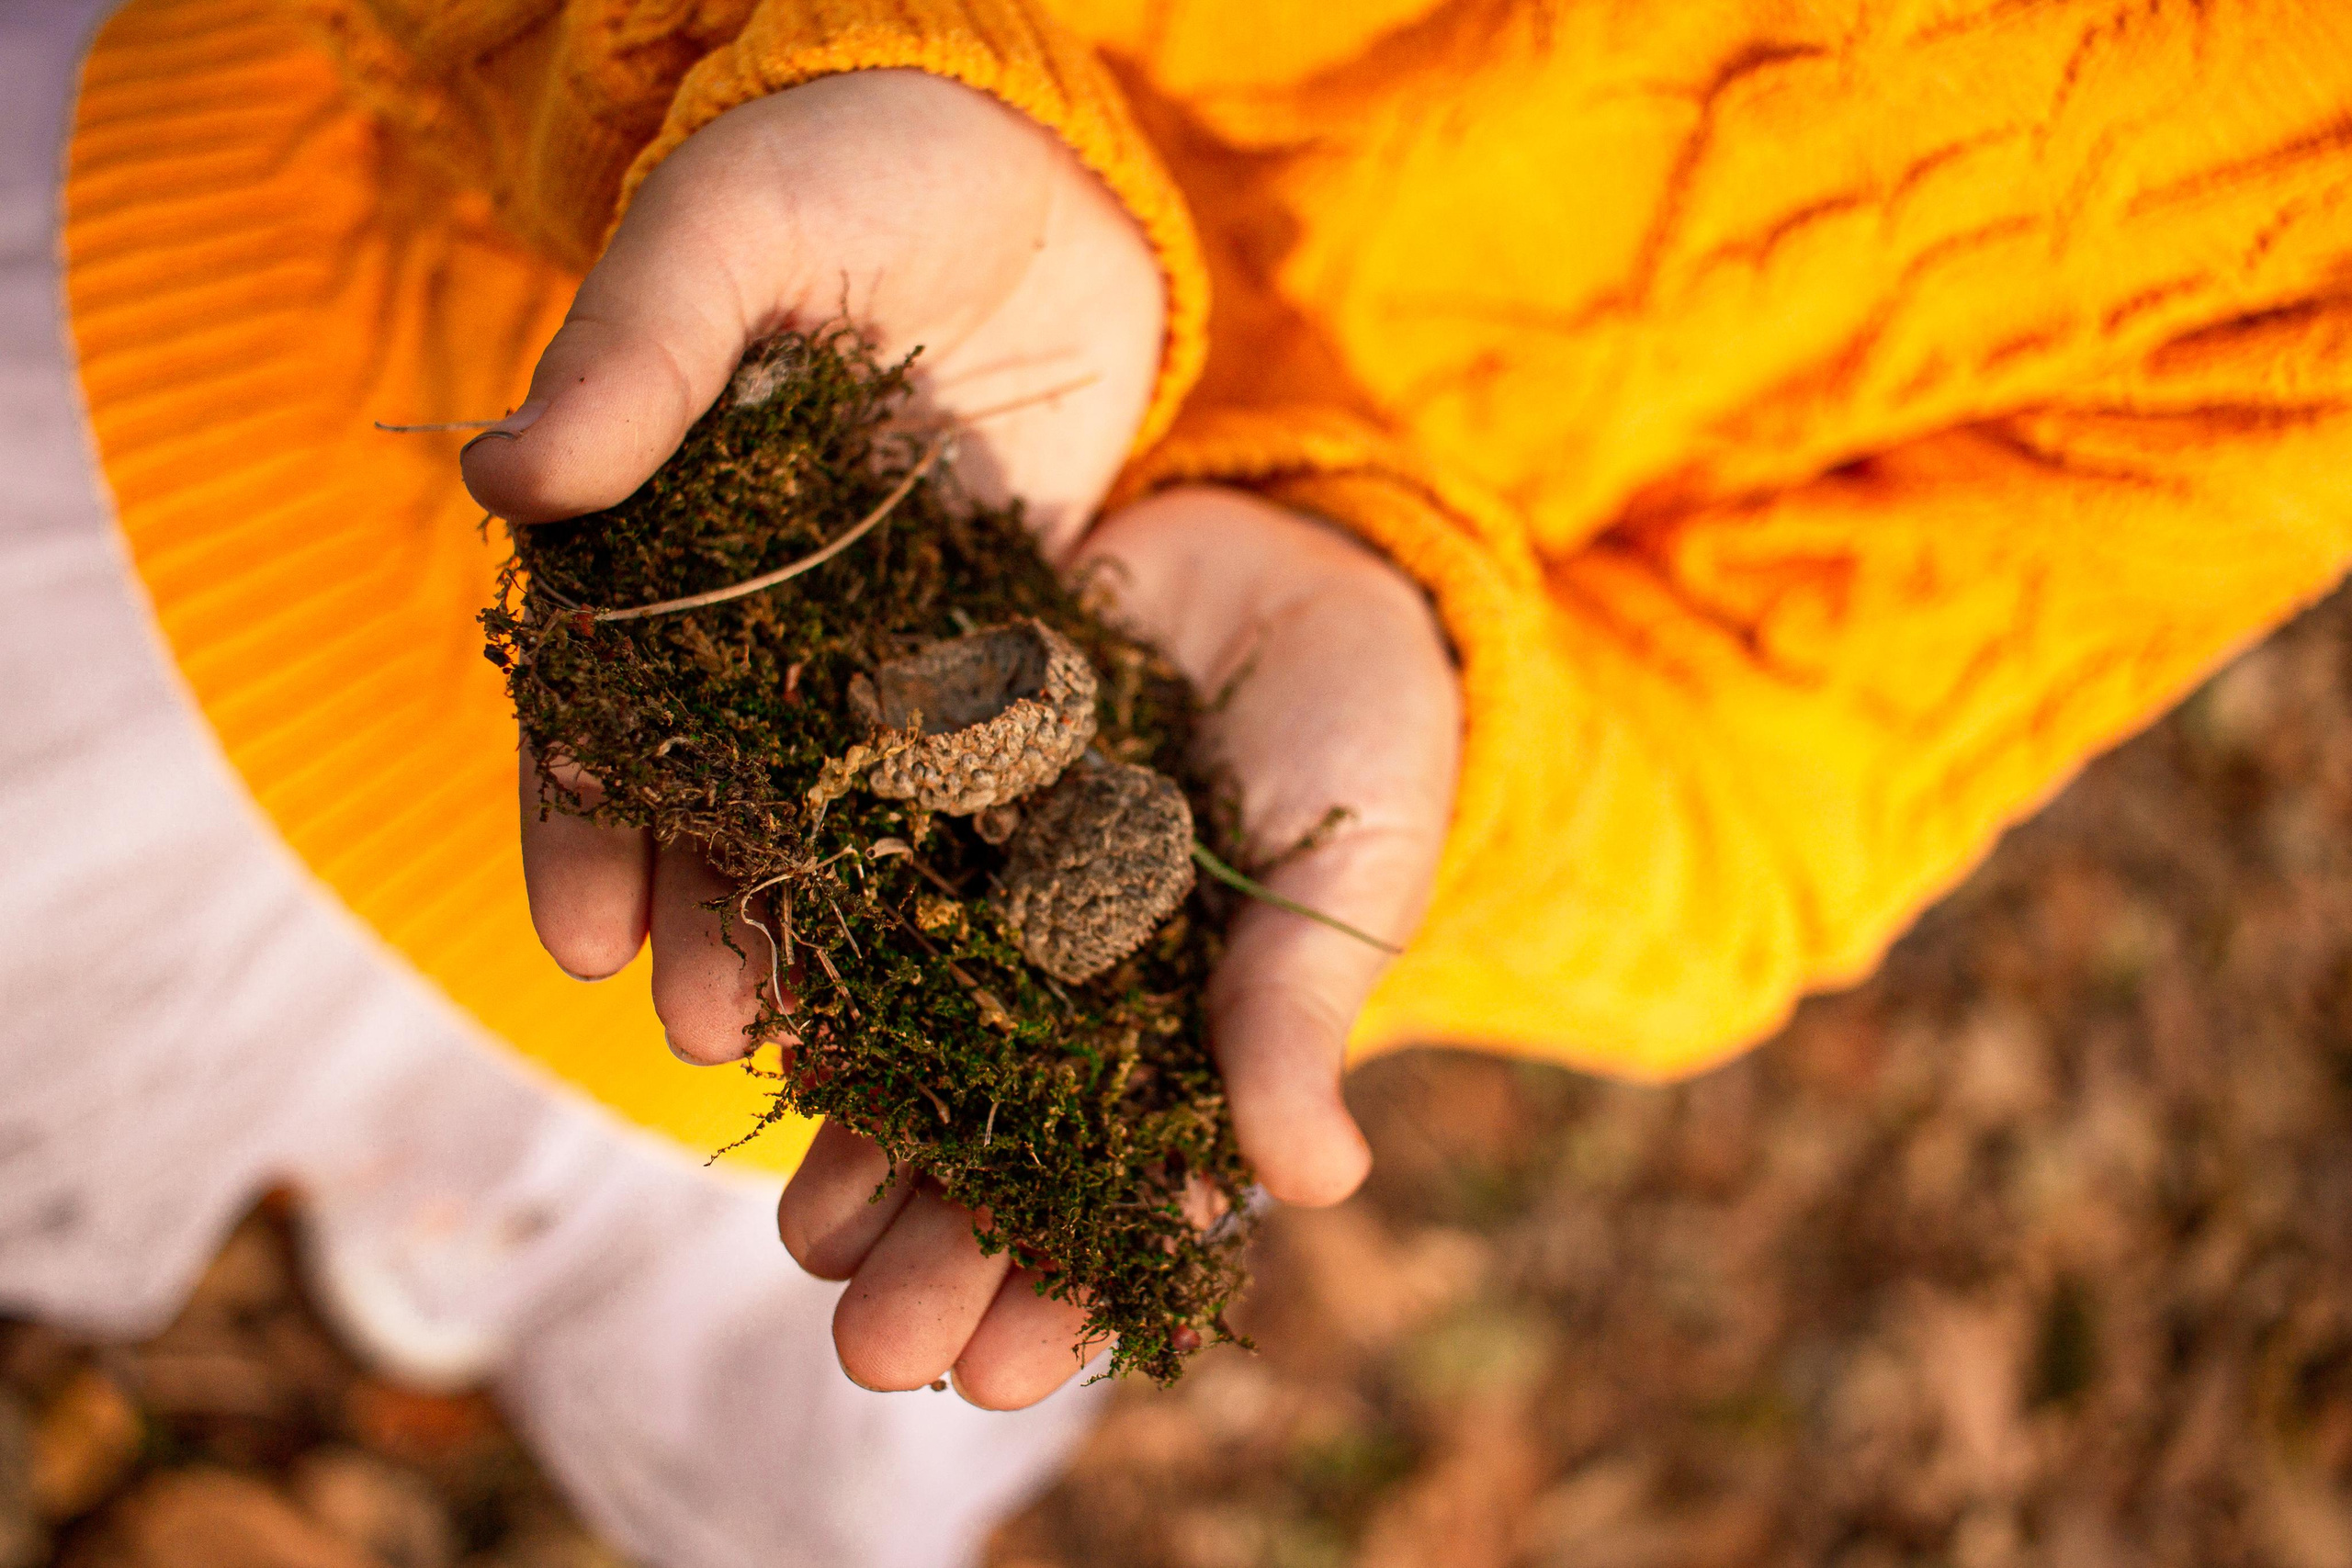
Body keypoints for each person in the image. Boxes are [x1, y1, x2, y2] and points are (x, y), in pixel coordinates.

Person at [6, 0, 2348, 1562]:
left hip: (771, 948)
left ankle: (432, 1229)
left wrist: (1423, 658)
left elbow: (1786, 787)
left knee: (573, 1140)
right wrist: (774, 53)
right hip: (255, 383)